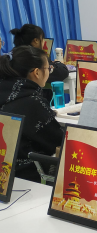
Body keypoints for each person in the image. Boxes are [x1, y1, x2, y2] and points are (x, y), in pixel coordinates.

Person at [0, 46, 64, 182]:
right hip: (25, 175)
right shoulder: (32, 103)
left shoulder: (6, 93)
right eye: (49, 69)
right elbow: (58, 142)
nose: (49, 72)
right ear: (37, 72)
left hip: (5, 174)